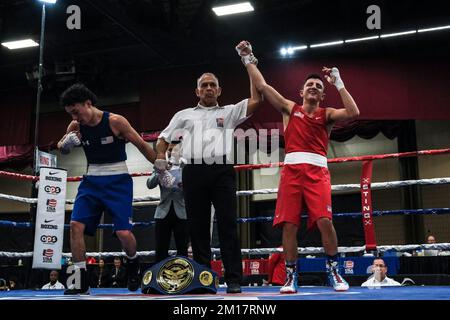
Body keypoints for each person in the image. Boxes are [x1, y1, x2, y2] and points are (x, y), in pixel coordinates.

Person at [236, 40, 359, 293]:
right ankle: (291, 276)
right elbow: (262, 86)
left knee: (325, 221)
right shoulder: (289, 109)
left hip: (317, 173)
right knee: (289, 225)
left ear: (323, 95)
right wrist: (247, 58)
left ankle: (334, 272)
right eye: (309, 85)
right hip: (292, 172)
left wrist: (339, 82)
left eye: (318, 86)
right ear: (301, 92)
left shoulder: (327, 114)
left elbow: (354, 111)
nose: (313, 87)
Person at [155, 70, 262, 293]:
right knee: (198, 226)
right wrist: (159, 159)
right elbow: (163, 138)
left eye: (212, 85)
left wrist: (249, 64)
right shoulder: (183, 114)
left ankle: (233, 279)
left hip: (222, 170)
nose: (209, 88)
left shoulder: (229, 111)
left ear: (219, 90)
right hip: (193, 171)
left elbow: (256, 100)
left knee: (228, 224)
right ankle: (204, 279)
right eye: (204, 85)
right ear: (197, 91)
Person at [57, 83, 156, 294]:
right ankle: (79, 282)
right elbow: (61, 147)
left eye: (76, 111)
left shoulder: (115, 121)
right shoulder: (75, 126)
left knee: (123, 232)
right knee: (75, 225)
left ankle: (132, 262)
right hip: (91, 181)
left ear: (88, 103)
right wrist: (65, 145)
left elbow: (141, 144)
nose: (75, 117)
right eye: (70, 114)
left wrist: (161, 167)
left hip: (118, 181)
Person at [147, 141, 189, 263]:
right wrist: (160, 170)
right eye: (169, 150)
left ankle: (183, 278)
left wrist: (184, 185)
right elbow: (150, 184)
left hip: (181, 212)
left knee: (182, 249)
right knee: (161, 248)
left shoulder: (185, 167)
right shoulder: (161, 164)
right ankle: (160, 279)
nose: (171, 152)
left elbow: (194, 187)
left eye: (174, 149)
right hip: (162, 212)